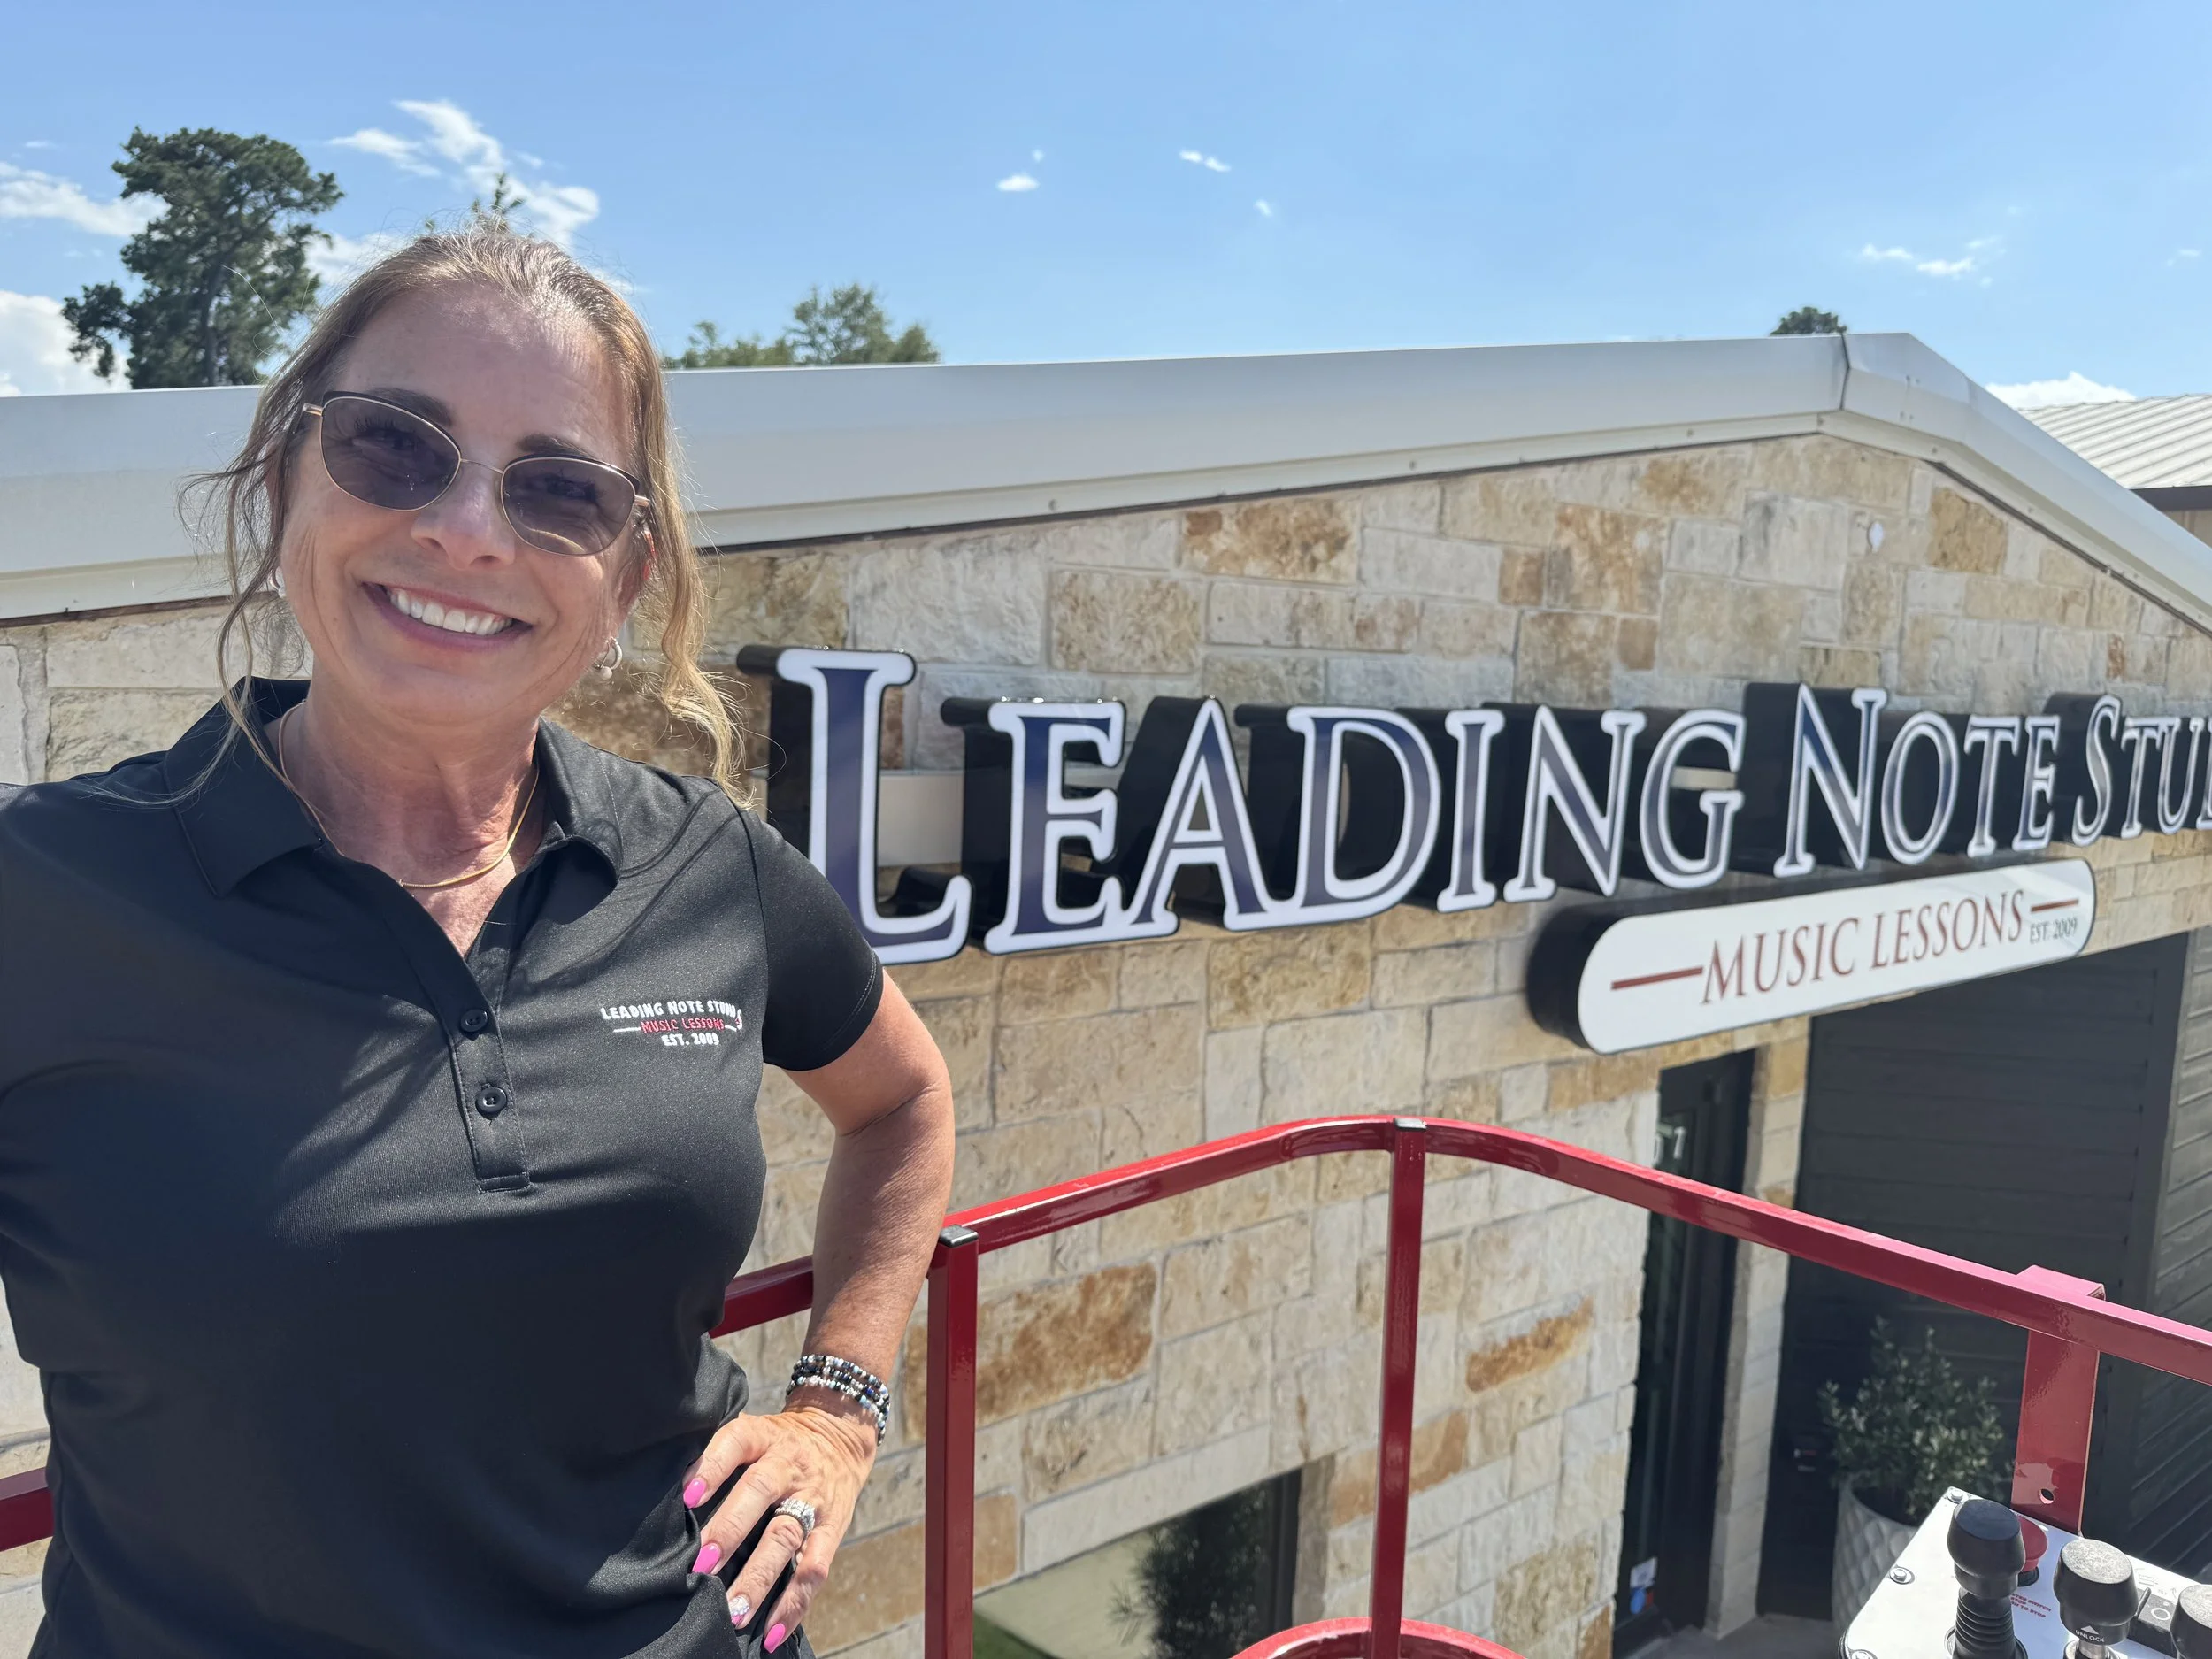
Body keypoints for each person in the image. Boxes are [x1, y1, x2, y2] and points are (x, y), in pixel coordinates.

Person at [0, 226, 955, 1657]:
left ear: (627, 581)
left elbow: (903, 1100)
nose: (468, 529)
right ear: (285, 480)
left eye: (559, 489)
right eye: (396, 447)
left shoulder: (705, 864)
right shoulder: (47, 888)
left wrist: (837, 1408)